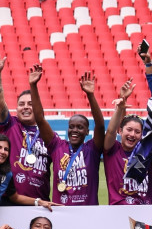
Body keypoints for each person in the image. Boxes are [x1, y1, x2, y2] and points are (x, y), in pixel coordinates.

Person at [29, 65, 104, 205]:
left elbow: (100, 126)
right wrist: (33, 86)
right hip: (60, 211)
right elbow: (40, 119)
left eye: (80, 127)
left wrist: (90, 95)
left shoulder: (92, 149)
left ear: (87, 132)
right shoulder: (57, 146)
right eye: (71, 127)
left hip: (88, 212)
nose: (74, 130)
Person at [0, 57, 53, 201]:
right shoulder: (11, 125)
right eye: (21, 104)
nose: (26, 107)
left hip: (40, 203)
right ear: (16, 108)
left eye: (30, 104)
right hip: (9, 201)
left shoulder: (48, 135)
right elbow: (1, 104)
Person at [103, 80, 152, 205]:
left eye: (137, 132)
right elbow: (110, 132)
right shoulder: (113, 149)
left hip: (147, 210)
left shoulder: (147, 151)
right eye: (129, 130)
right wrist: (120, 107)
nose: (132, 134)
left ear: (142, 135)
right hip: (119, 211)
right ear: (120, 131)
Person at [0, 134, 56, 209]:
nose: (3, 151)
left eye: (6, 149)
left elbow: (15, 197)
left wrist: (39, 202)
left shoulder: (7, 175)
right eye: (0, 147)